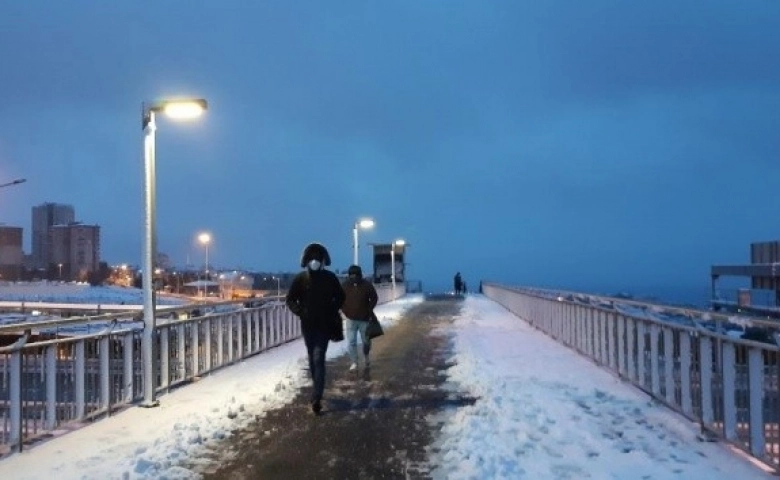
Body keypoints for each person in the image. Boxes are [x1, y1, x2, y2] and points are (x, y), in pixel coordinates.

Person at [285, 242, 345, 415]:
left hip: (324, 325)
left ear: (323, 261)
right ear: (306, 261)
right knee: (312, 357)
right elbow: (290, 299)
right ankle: (316, 386)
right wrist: (300, 311)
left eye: (317, 259)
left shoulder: (330, 278)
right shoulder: (301, 279)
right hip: (308, 325)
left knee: (318, 357)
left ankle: (317, 397)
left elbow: (340, 296)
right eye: (311, 259)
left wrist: (332, 309)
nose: (314, 262)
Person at [340, 265, 378, 371]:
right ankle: (354, 362)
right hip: (350, 319)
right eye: (351, 275)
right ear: (349, 275)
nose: (353, 277)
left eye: (355, 275)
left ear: (360, 274)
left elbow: (374, 298)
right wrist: (345, 310)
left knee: (366, 341)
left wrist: (369, 310)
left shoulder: (367, 285)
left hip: (364, 319)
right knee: (351, 342)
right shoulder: (345, 286)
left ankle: (366, 356)